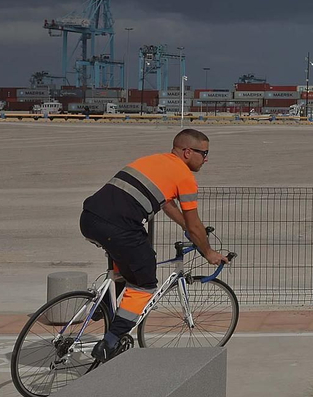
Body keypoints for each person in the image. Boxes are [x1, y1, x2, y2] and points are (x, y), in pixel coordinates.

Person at [79, 128, 226, 363]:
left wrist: (188, 229)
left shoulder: (153, 161)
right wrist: (208, 252)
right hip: (120, 227)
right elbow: (194, 222)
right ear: (188, 152)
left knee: (127, 265)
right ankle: (111, 340)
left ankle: (104, 308)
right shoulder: (185, 177)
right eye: (204, 153)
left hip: (89, 217)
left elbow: (167, 205)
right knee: (145, 282)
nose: (206, 158)